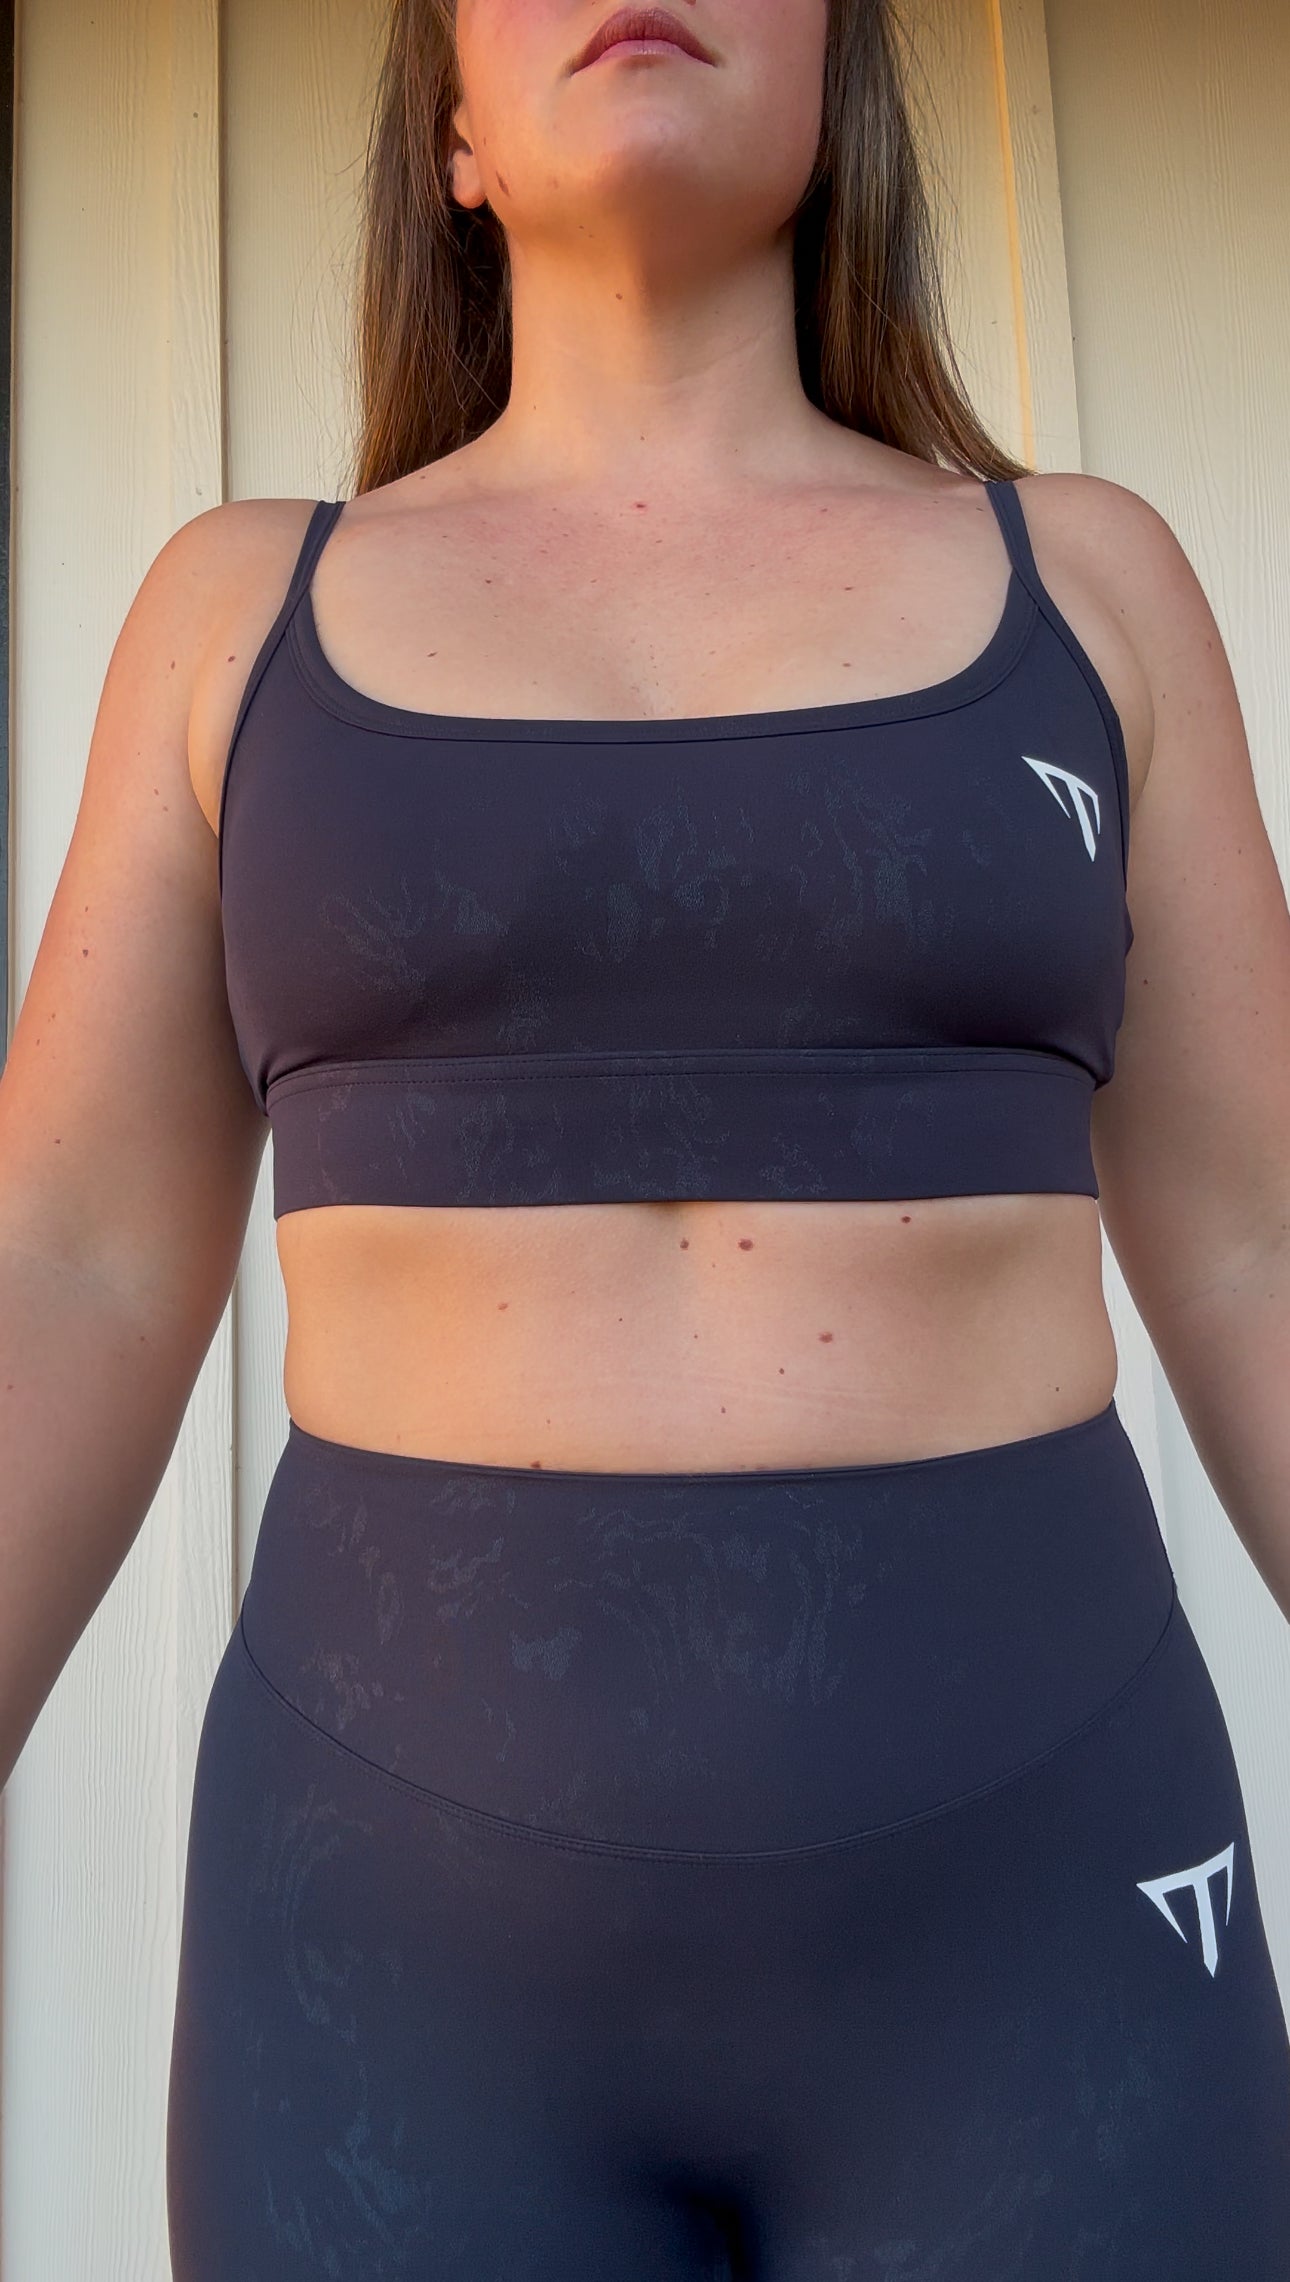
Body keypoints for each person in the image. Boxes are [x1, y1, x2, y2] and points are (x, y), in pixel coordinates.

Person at [2, 0, 1288, 2273]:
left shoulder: (1091, 588)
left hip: (1050, 1928)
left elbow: (1265, 1245)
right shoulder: (232, 613)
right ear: (455, 135)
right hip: (383, 1969)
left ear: (834, 89)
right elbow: (73, 1256)